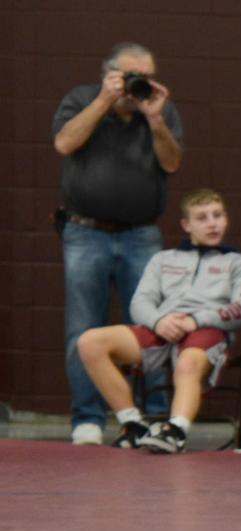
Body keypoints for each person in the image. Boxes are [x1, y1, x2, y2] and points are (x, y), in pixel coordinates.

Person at [52, 42, 184, 444]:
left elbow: (172, 162)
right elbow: (65, 143)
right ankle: (88, 419)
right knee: (83, 327)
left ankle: (158, 415)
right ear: (108, 73)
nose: (137, 85)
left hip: (141, 234)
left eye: (144, 76)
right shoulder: (80, 99)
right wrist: (104, 101)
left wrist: (156, 120)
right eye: (130, 77)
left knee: (154, 326)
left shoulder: (159, 111)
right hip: (85, 232)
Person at [74, 189, 241, 454]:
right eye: (202, 217)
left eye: (217, 215)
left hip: (206, 331)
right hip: (163, 329)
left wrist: (197, 320)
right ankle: (133, 425)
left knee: (187, 362)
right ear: (186, 225)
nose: (212, 223)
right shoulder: (162, 259)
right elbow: (140, 303)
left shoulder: (239, 262)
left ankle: (176, 431)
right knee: (90, 342)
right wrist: (159, 321)